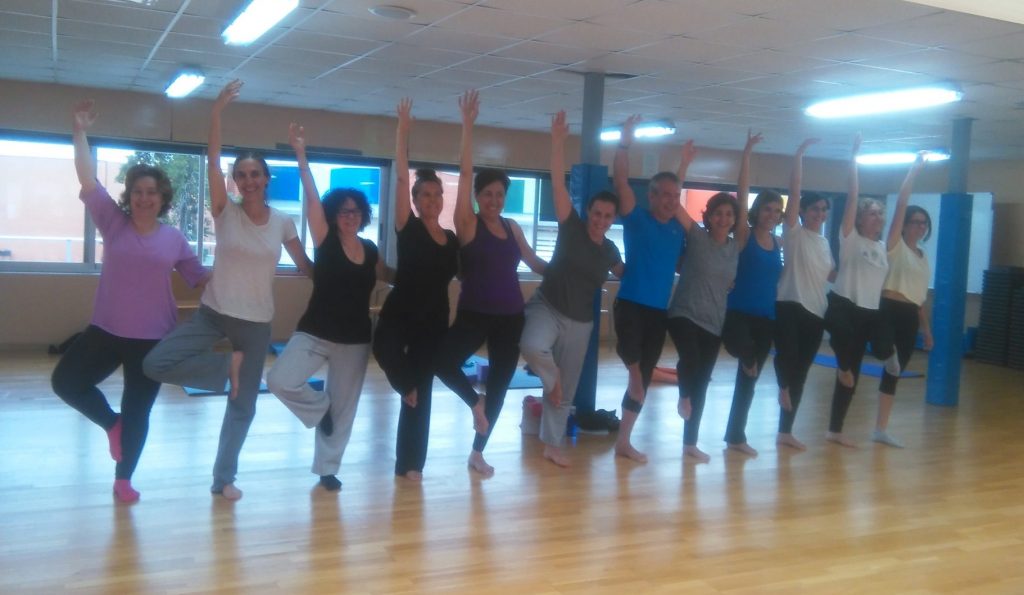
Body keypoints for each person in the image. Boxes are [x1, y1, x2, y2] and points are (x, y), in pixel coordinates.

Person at [143, 80, 312, 500]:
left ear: (267, 179)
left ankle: (223, 480)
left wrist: (342, 278)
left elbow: (307, 265)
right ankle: (226, 372)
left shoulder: (284, 222)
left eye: (255, 174)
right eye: (241, 175)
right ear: (234, 182)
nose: (248, 180)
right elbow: (213, 159)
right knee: (156, 362)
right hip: (213, 312)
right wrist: (216, 113)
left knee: (244, 406)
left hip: (255, 325)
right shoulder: (225, 212)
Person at [52, 100, 207, 503]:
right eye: (137, 192)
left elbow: (199, 279)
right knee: (66, 382)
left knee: (138, 410)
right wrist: (79, 132)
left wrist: (241, 269)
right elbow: (87, 179)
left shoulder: (174, 239)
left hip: (152, 339)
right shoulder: (112, 222)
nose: (143, 198)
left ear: (162, 197)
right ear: (129, 196)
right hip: (105, 330)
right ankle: (110, 424)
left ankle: (124, 479)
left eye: (151, 192)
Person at [265, 123, 389, 491]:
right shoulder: (325, 240)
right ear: (334, 216)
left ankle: (327, 470)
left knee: (346, 407)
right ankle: (318, 411)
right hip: (315, 330)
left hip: (354, 338)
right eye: (343, 211)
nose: (350, 216)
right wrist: (301, 155)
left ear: (363, 215)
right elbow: (312, 196)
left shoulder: (370, 251)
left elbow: (387, 276)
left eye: (356, 211)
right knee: (279, 380)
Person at [433, 90, 546, 477]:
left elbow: (533, 262)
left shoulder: (513, 227)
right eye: (488, 194)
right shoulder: (469, 224)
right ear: (478, 198)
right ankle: (472, 402)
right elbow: (465, 174)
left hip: (510, 318)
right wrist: (468, 127)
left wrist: (567, 271)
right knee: (441, 362)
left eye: (500, 194)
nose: (494, 199)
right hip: (473, 315)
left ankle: (478, 452)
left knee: (498, 387)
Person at [519, 111, 623, 468]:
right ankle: (551, 379)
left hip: (580, 325)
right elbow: (558, 185)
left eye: (608, 217)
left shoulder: (610, 251)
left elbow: (628, 275)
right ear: (589, 211)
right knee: (532, 345)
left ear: (613, 220)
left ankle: (552, 443)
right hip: (548, 306)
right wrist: (558, 143)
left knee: (570, 385)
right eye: (597, 213)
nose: (600, 220)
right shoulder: (571, 226)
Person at [372, 99, 459, 481]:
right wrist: (402, 131)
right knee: (384, 348)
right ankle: (403, 382)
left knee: (419, 396)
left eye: (437, 195)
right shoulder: (408, 227)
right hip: (400, 312)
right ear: (415, 199)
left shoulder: (452, 239)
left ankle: (411, 465)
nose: (432, 200)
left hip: (434, 319)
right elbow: (403, 176)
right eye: (425, 195)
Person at [669, 132, 760, 463]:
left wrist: (746, 153)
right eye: (718, 213)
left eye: (729, 214)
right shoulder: (696, 235)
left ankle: (689, 444)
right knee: (690, 363)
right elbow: (674, 201)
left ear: (735, 220)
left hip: (713, 321)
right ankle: (682, 396)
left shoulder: (737, 246)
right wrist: (684, 163)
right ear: (708, 216)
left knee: (703, 382)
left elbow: (745, 195)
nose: (724, 218)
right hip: (683, 314)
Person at [823, 136, 918, 447]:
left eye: (880, 214)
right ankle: (835, 429)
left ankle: (871, 360)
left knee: (877, 352)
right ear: (861, 217)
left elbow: (902, 205)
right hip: (843, 304)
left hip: (869, 311)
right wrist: (854, 158)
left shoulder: (883, 247)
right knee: (843, 355)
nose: (878, 217)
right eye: (873, 213)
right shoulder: (850, 238)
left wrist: (914, 168)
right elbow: (852, 195)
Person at [610, 115, 688, 464]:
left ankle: (624, 441)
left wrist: (683, 165)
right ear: (652, 196)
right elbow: (622, 180)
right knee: (636, 374)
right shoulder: (637, 218)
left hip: (658, 311)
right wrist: (625, 142)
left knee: (640, 380)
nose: (671, 201)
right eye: (665, 195)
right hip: (630, 303)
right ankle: (636, 378)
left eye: (676, 195)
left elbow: (677, 188)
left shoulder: (677, 230)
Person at [720, 138, 786, 457]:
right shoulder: (744, 236)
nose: (771, 215)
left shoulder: (778, 243)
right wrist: (746, 155)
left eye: (777, 211)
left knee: (749, 381)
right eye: (767, 209)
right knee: (745, 357)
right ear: (758, 211)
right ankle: (746, 358)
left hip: (766, 319)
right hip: (738, 315)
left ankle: (736, 436)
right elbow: (741, 194)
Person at [773, 139, 835, 451]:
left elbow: (831, 275)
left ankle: (785, 431)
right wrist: (798, 156)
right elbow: (794, 192)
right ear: (804, 211)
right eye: (814, 208)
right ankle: (782, 386)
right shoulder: (794, 234)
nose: (819, 213)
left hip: (815, 312)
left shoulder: (824, 244)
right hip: (789, 303)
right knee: (787, 359)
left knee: (802, 370)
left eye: (824, 210)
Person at [873, 156, 930, 448]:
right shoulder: (894, 247)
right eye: (915, 222)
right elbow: (901, 204)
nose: (919, 227)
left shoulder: (923, 258)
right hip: (887, 309)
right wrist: (914, 170)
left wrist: (927, 331)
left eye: (924, 224)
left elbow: (920, 299)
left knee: (894, 372)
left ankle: (881, 429)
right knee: (888, 357)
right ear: (905, 225)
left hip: (909, 314)